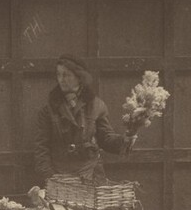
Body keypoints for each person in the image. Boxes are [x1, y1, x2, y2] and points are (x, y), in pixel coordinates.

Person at [33, 54, 128, 184]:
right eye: (59, 75)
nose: (61, 80)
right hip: (60, 177)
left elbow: (106, 139)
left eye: (66, 75)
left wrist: (126, 139)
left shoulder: (96, 105)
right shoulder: (48, 110)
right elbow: (41, 148)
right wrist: (50, 178)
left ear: (79, 77)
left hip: (91, 175)